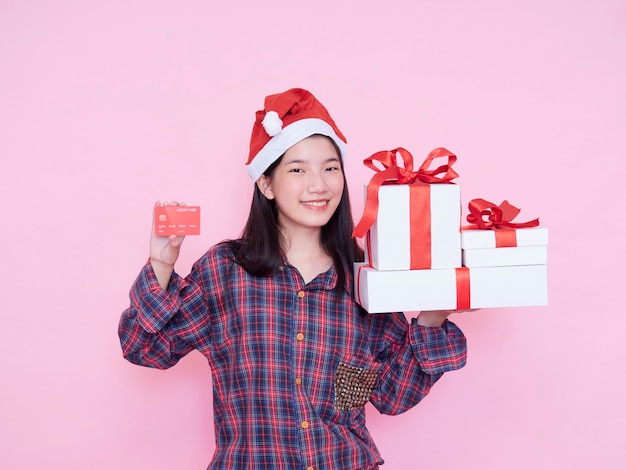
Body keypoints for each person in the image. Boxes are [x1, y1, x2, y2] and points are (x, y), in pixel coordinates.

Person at [118, 88, 468, 470]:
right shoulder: (226, 271)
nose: (318, 185)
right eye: (298, 169)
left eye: (330, 168)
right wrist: (161, 264)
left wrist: (433, 316)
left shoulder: (362, 277)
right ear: (266, 184)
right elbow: (144, 348)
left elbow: (390, 396)